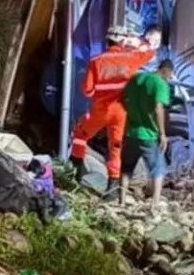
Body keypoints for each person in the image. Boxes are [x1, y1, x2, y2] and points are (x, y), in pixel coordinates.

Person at [69, 25, 161, 198]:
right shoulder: (131, 58)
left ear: (107, 40)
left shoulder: (96, 61)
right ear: (123, 40)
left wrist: (99, 93)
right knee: (116, 147)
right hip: (121, 111)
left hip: (100, 110)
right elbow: (150, 52)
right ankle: (112, 190)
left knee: (80, 135)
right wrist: (140, 41)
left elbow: (86, 90)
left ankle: (74, 176)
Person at [119, 58, 174, 210]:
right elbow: (158, 108)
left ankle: (122, 202)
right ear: (167, 71)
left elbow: (123, 99)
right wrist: (162, 134)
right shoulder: (160, 84)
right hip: (148, 135)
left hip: (131, 132)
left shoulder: (136, 78)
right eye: (169, 75)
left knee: (126, 168)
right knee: (158, 169)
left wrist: (132, 114)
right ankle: (154, 205)